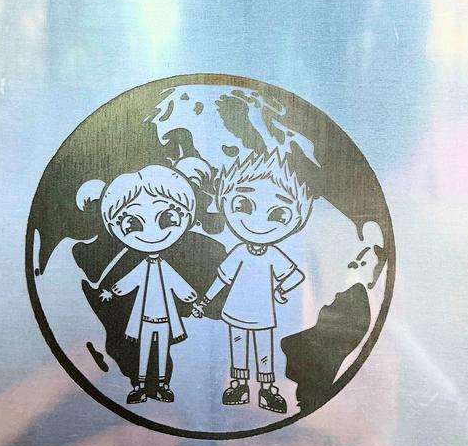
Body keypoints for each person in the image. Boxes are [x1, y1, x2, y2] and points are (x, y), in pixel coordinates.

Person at [77, 158, 210, 405]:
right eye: (132, 223)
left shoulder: (164, 266)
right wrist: (112, 292)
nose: (151, 233)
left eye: (167, 218)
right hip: (144, 319)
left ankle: (161, 385)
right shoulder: (143, 267)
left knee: (162, 351)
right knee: (144, 350)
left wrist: (192, 299)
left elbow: (177, 284)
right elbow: (129, 282)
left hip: (164, 319)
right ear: (113, 227)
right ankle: (140, 386)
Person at [192, 150, 312, 414]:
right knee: (238, 346)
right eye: (243, 205)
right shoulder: (239, 252)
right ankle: (239, 385)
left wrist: (280, 290)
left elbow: (295, 276)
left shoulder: (273, 254)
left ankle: (267, 389)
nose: (257, 221)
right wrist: (205, 300)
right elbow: (222, 279)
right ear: (224, 203)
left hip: (262, 312)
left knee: (264, 349)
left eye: (278, 214)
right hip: (235, 309)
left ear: (296, 220)